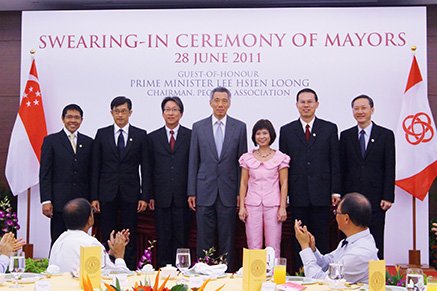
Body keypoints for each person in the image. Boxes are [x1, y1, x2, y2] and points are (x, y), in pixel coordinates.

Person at [279, 88, 341, 272]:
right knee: (300, 237)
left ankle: (323, 275)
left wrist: (335, 190)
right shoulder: (287, 130)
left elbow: (334, 161)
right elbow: (284, 166)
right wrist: (286, 195)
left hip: (322, 195)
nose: (306, 105)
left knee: (321, 237)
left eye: (309, 102)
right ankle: (301, 273)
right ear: (297, 105)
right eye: (302, 102)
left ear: (317, 104)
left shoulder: (329, 128)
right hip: (298, 195)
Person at [187, 87, 247, 272]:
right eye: (217, 100)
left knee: (227, 236)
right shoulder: (198, 126)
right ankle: (204, 272)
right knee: (204, 236)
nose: (220, 104)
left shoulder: (240, 127)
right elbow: (193, 160)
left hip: (228, 191)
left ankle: (226, 272)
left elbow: (241, 164)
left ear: (229, 103)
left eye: (224, 101)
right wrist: (191, 191)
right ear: (210, 102)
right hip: (204, 189)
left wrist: (240, 193)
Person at [91, 96, 150, 270]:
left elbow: (146, 168)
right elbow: (95, 167)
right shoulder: (102, 134)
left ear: (130, 113)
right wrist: (94, 196)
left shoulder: (140, 135)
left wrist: (144, 196)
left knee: (127, 233)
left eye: (124, 111)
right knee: (107, 233)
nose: (120, 115)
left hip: (130, 194)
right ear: (111, 113)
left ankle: (129, 268)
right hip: (106, 193)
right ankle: (107, 267)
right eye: (116, 111)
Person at [339, 94, 395, 259]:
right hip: (351, 199)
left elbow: (389, 166)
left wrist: (388, 196)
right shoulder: (346, 135)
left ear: (372, 109)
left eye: (364, 108)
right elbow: (342, 168)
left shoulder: (385, 135)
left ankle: (375, 279)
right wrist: (340, 197)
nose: (360, 112)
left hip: (377, 198)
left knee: (376, 239)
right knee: (349, 240)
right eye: (356, 108)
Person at [39, 104, 93, 246]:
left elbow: (92, 173)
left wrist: (93, 199)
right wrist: (46, 200)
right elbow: (45, 172)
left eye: (77, 117)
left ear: (82, 120)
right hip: (58, 202)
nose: (73, 120)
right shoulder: (51, 141)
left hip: (82, 203)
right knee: (58, 241)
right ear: (63, 119)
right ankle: (55, 268)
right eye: (69, 117)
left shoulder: (89, 142)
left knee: (82, 243)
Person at [294, 192, 378, 283]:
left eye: (336, 212)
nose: (335, 216)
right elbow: (327, 263)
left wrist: (304, 247)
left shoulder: (359, 253)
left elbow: (320, 281)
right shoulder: (352, 241)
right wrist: (312, 249)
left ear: (346, 219)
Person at [148, 97, 192, 268]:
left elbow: (194, 166)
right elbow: (148, 169)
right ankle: (163, 272)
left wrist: (192, 192)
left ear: (181, 113)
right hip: (161, 197)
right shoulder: (152, 137)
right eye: (167, 109)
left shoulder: (191, 135)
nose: (171, 113)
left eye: (175, 109)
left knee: (181, 237)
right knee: (163, 237)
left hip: (183, 196)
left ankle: (182, 273)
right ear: (162, 113)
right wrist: (149, 194)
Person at [238, 119, 289, 257]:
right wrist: (242, 206)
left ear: (271, 134)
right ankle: (255, 277)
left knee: (273, 246)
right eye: (258, 133)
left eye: (265, 133)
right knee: (253, 245)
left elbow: (284, 184)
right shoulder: (247, 157)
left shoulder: (280, 157)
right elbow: (243, 183)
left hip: (273, 205)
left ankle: (273, 277)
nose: (261, 136)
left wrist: (282, 207)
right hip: (252, 205)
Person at [49, 198, 130, 273]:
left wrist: (111, 254)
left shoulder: (59, 240)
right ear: (90, 219)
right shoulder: (90, 244)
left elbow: (94, 267)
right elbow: (118, 277)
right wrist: (119, 255)